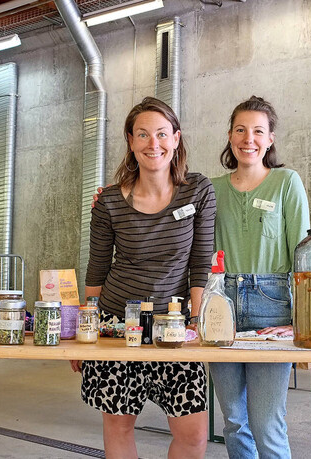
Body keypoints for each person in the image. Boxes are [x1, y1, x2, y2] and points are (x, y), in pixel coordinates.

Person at [72, 97, 216, 458]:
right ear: (131, 142)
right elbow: (97, 268)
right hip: (117, 323)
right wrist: (84, 329)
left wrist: (197, 322)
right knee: (119, 427)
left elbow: (200, 262)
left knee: (194, 433)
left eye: (162, 134)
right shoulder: (107, 201)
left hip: (175, 325)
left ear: (176, 138)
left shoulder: (198, 190)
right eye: (143, 135)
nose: (154, 144)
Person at [204, 96, 310, 459]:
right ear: (230, 136)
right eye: (240, 130)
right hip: (223, 305)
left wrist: (300, 321)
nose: (248, 138)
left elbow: (303, 254)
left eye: (258, 131)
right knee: (234, 420)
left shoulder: (286, 182)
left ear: (270, 139)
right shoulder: (211, 189)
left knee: (266, 422)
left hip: (273, 306)